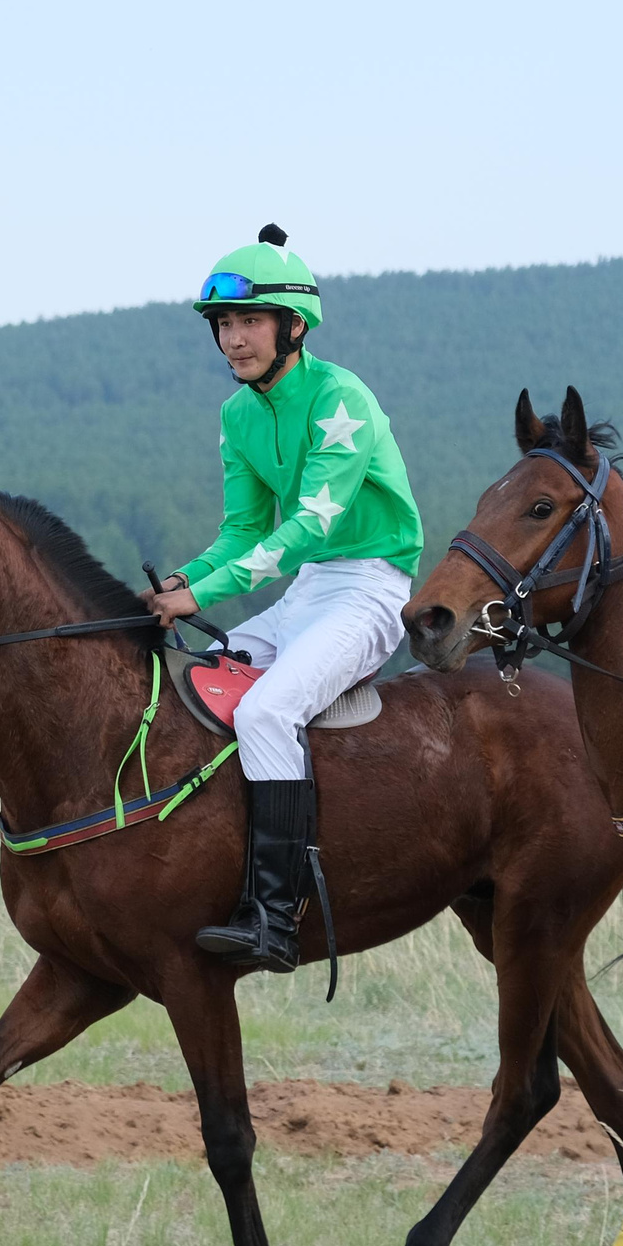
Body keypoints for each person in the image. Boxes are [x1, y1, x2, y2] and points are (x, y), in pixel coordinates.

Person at [142, 224, 424, 972]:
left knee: (268, 708)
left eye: (250, 321)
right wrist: (182, 581)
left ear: (293, 325)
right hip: (308, 593)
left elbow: (308, 527)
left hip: (370, 591)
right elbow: (242, 532)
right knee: (197, 679)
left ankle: (276, 917)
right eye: (225, 325)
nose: (235, 339)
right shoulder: (238, 415)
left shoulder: (344, 399)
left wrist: (205, 588)